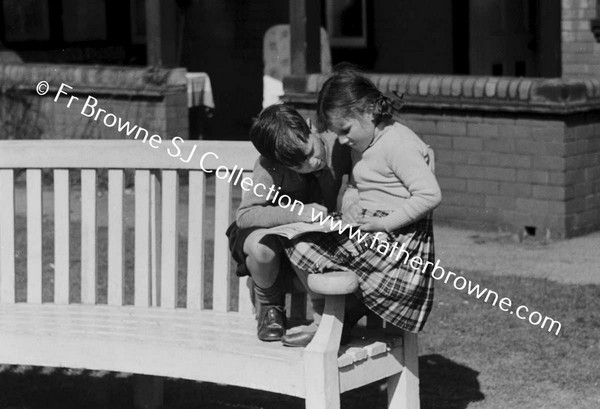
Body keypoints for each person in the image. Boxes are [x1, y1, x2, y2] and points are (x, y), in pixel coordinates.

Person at [282, 69, 442, 346]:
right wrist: (351, 202)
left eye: (345, 130)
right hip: (368, 232)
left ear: (369, 111)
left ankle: (337, 317)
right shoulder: (364, 144)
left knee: (308, 245)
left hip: (397, 244)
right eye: (336, 133)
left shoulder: (398, 143)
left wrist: (384, 223)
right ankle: (340, 312)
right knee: (296, 241)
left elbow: (429, 195)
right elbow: (357, 184)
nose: (342, 141)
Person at [226, 103, 352, 343]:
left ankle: (327, 320)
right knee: (261, 249)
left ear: (310, 126)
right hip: (270, 237)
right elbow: (245, 215)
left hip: (312, 239)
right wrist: (298, 212)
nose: (311, 163)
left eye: (310, 152)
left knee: (309, 243)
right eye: (298, 165)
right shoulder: (269, 165)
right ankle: (270, 308)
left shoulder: (337, 146)